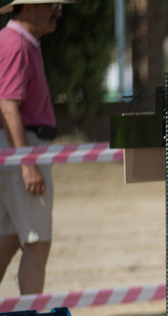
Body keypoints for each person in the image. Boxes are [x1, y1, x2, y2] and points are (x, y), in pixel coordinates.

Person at [0, 0, 71, 295]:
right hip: (22, 146)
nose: (59, 11)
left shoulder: (18, 41)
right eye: (52, 5)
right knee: (37, 241)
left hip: (16, 148)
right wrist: (26, 163)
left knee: (8, 237)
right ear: (27, 7)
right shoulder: (16, 44)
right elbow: (8, 106)